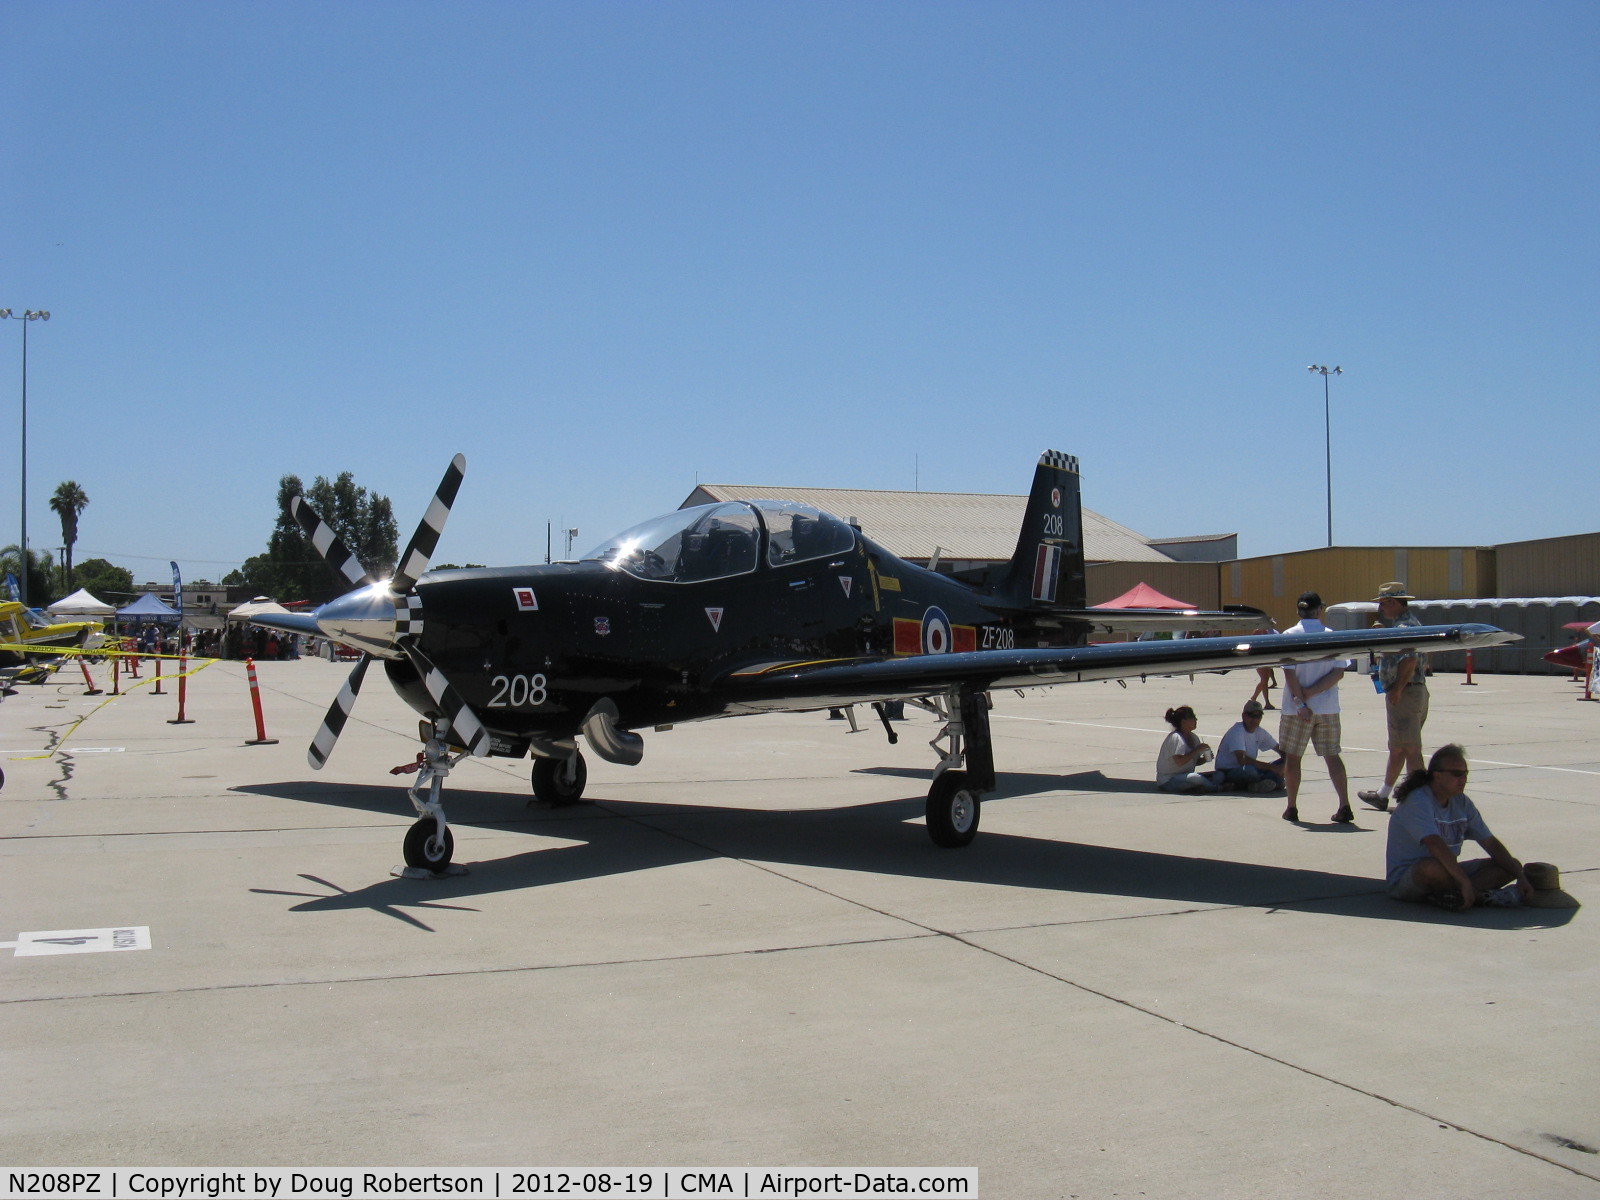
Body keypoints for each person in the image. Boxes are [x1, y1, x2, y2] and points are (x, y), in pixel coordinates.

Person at [1385, 744, 1532, 909]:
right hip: (1410, 878)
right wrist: (1463, 881)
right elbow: (1434, 844)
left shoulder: (1461, 802)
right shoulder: (1418, 800)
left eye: (1465, 773)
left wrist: (1521, 877)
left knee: (1510, 865)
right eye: (1456, 774)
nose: (1463, 779)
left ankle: (1458, 895)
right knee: (1430, 868)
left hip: (1449, 874)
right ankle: (1481, 896)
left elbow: (1489, 842)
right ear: (1437, 775)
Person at [1279, 591, 1355, 823]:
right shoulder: (1332, 636)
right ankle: (1344, 804)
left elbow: (1288, 671)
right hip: (1327, 707)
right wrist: (1313, 693)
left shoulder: (1289, 635)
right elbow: (1338, 671)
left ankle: (1292, 806)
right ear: (1319, 610)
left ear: (1298, 610)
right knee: (1332, 756)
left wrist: (1302, 701)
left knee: (1293, 758)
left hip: (1296, 709)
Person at [1359, 583, 1428, 811]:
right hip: (1410, 691)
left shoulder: (1405, 626)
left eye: (1383, 603)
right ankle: (1383, 794)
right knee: (1399, 747)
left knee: (1410, 748)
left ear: (1395, 602)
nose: (1381, 608)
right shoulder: (1404, 624)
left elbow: (1409, 659)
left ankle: (1420, 799)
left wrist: (1397, 689)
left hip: (1406, 692)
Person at [1215, 700, 1285, 792]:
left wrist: (1284, 765)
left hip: (1252, 768)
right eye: (1251, 715)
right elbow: (1242, 760)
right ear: (1243, 715)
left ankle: (1257, 784)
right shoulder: (1237, 731)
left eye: (1258, 716)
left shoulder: (1260, 732)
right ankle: (1268, 780)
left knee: (1289, 762)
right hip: (1229, 771)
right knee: (1250, 771)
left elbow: (1281, 750)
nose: (1254, 720)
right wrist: (1271, 768)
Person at [1156, 706, 1221, 793]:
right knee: (1195, 778)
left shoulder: (1194, 738)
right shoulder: (1176, 738)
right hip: (1169, 780)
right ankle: (1216, 788)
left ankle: (1198, 788)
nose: (1196, 720)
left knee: (1219, 775)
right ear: (1183, 721)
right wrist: (1196, 750)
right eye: (1193, 717)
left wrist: (1204, 759)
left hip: (1184, 776)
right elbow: (1179, 762)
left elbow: (1193, 761)